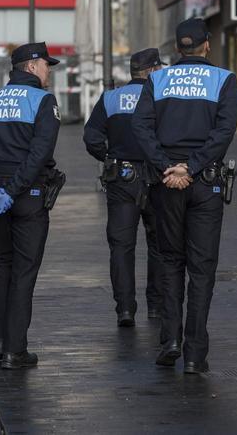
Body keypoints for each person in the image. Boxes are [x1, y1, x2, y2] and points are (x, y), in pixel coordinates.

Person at [132, 18, 237, 375]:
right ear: (207, 45)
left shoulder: (157, 79)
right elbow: (223, 133)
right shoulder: (224, 79)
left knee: (168, 261)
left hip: (165, 184)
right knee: (202, 267)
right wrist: (191, 167)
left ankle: (170, 340)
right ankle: (194, 353)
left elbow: (141, 128)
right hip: (205, 182)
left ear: (178, 48)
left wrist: (167, 166)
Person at [0, 41, 63, 370]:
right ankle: (15, 350)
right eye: (47, 65)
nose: (50, 70)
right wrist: (13, 189)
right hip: (27, 197)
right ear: (32, 66)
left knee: (3, 264)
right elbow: (40, 154)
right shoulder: (43, 101)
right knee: (23, 270)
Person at [83, 48, 166, 328]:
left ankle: (125, 309)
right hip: (157, 177)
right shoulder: (161, 96)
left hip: (122, 177)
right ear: (153, 71)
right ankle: (156, 304)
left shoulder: (111, 98)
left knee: (121, 246)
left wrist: (108, 157)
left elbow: (91, 137)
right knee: (159, 244)